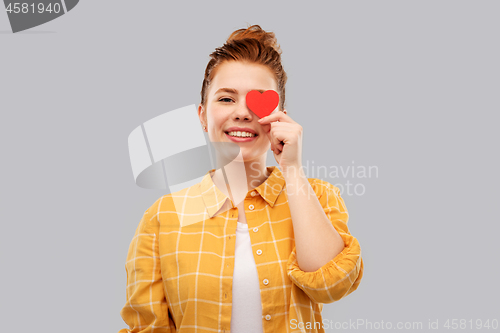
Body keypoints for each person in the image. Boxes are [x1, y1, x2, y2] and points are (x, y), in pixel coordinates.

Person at [118, 24, 364, 333]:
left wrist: (293, 170)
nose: (243, 113)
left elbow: (332, 286)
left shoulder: (318, 196)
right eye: (225, 99)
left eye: (259, 100)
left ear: (280, 117)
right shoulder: (162, 218)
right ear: (202, 116)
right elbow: (146, 328)